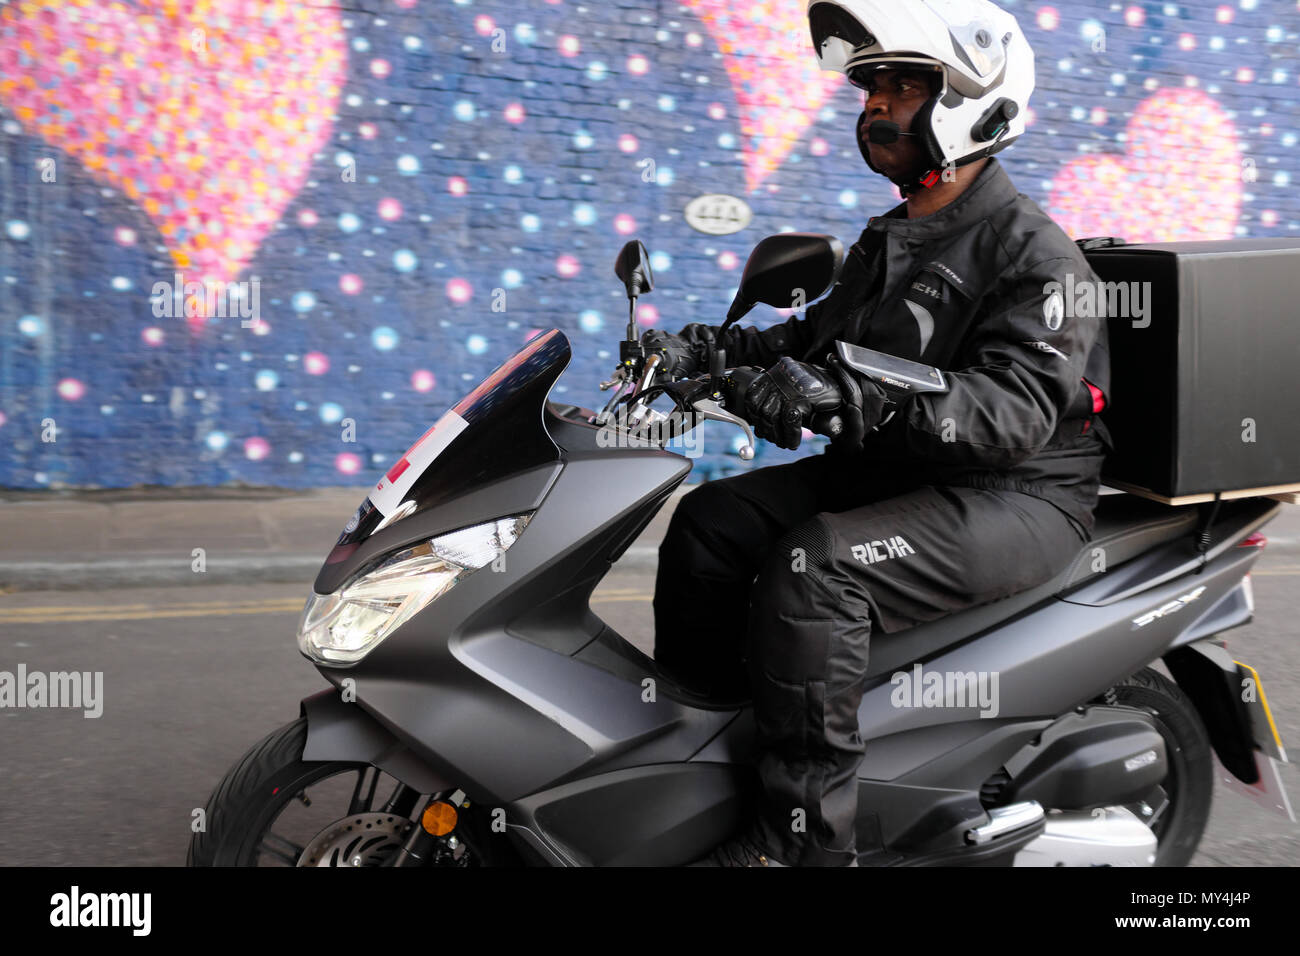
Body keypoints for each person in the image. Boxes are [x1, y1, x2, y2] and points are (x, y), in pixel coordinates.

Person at [644, 0, 1113, 866]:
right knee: (710, 526)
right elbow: (814, 340)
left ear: (973, 99)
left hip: (1016, 496)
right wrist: (709, 351)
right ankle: (701, 755)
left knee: (814, 567)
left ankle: (805, 839)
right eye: (870, 88)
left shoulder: (1038, 257)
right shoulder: (897, 234)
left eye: (903, 86)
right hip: (902, 467)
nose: (875, 105)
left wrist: (852, 400)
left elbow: (1010, 411)